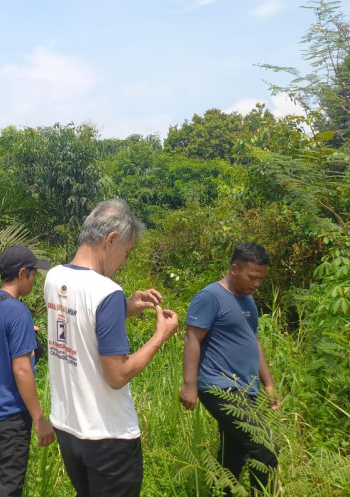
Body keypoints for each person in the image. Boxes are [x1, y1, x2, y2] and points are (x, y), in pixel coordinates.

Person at [43, 198, 179, 497]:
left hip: (68, 429)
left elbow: (79, 324)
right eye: (126, 252)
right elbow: (117, 375)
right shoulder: (107, 291)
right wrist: (160, 335)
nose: (124, 261)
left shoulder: (54, 278)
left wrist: (126, 308)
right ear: (112, 239)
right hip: (108, 437)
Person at [179, 242, 279, 496]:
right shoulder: (210, 297)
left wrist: (268, 384)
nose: (257, 284)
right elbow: (192, 339)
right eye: (252, 277)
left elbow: (253, 341)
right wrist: (190, 385)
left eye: (261, 279)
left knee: (233, 455)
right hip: (219, 386)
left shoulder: (247, 300)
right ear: (234, 269)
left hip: (246, 388)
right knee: (264, 448)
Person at [0, 245, 55, 497]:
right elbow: (22, 371)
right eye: (33, 274)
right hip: (8, 413)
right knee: (8, 490)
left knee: (0, 483)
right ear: (23, 273)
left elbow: (1, 342)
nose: (34, 280)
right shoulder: (19, 312)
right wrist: (39, 419)